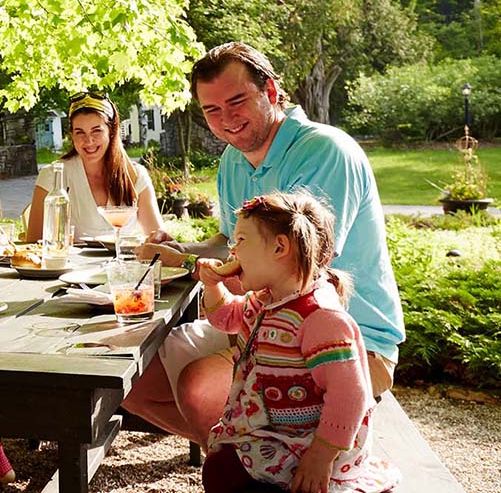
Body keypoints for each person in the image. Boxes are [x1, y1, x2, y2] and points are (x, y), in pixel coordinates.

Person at [125, 41, 405, 449]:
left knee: (200, 388)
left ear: (271, 92)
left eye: (237, 101)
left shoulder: (324, 150)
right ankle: (253, 456)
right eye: (212, 110)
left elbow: (299, 269)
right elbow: (227, 243)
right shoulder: (233, 160)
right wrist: (182, 249)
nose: (226, 119)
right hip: (258, 321)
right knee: (132, 380)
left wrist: (191, 269)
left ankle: (261, 462)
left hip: (339, 341)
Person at [199, 191, 400, 493]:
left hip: (311, 443)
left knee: (224, 472)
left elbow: (350, 396)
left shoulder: (319, 318)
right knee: (221, 468)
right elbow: (226, 317)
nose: (232, 252)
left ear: (280, 247)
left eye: (240, 241)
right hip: (277, 431)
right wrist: (212, 286)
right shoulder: (267, 299)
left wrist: (320, 458)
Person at [26, 92, 163, 242]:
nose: (89, 141)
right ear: (71, 135)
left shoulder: (136, 175)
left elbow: (158, 239)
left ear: (111, 131)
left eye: (96, 131)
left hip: (126, 265)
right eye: (80, 132)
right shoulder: (53, 176)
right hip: (73, 265)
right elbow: (33, 244)